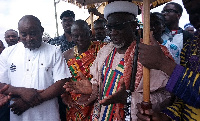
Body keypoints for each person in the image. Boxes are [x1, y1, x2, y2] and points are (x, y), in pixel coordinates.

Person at [64, 1, 174, 120]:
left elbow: (167, 96)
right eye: (109, 27)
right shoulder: (105, 52)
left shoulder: (151, 53)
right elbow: (98, 85)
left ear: (133, 25)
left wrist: (130, 98)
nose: (113, 32)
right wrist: (92, 89)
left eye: (118, 26)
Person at [137, 0, 200, 120]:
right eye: (191, 12)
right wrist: (165, 116)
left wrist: (162, 63)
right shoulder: (191, 45)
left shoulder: (183, 41)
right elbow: (183, 97)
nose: (195, 18)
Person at [0, 15, 71, 121]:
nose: (29, 38)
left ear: (41, 31)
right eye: (24, 35)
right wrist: (21, 92)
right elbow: (1, 84)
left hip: (48, 115)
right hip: (18, 115)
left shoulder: (54, 51)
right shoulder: (8, 53)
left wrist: (29, 102)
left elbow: (62, 82)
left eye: (33, 33)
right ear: (19, 33)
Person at [62, 19, 106, 121]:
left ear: (90, 33)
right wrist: (64, 95)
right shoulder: (66, 55)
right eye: (76, 36)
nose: (80, 39)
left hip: (97, 98)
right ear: (72, 36)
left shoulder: (101, 48)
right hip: (75, 101)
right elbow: (64, 79)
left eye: (83, 35)